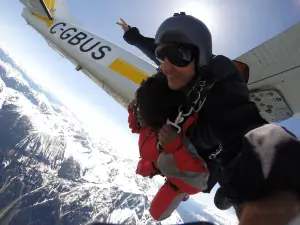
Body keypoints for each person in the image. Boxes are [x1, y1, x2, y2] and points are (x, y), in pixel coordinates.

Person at [118, 13, 300, 222]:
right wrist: (133, 36)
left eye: (178, 56)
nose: (166, 66)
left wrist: (275, 184)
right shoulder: (174, 69)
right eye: (162, 57)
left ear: (200, 55)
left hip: (201, 156)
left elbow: (247, 129)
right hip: (173, 147)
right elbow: (162, 51)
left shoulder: (223, 94)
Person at [128, 73, 208, 221]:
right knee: (142, 168)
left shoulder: (175, 133)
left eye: (141, 111)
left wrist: (174, 147)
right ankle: (159, 169)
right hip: (158, 158)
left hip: (176, 164)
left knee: (157, 213)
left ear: (153, 115)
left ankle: (178, 188)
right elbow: (137, 128)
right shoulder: (150, 126)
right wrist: (132, 113)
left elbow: (199, 183)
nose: (138, 113)